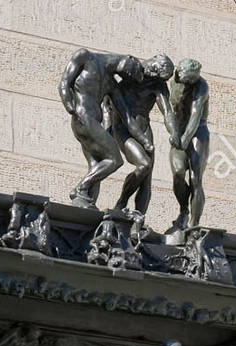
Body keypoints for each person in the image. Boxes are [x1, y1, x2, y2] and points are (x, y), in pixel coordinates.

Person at [59, 49, 144, 207]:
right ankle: (80, 189)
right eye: (134, 70)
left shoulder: (111, 84)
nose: (130, 75)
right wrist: (69, 106)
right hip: (83, 118)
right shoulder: (85, 56)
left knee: (97, 165)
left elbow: (126, 117)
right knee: (114, 160)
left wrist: (143, 140)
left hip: (91, 122)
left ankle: (86, 203)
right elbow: (64, 82)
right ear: (130, 57)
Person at [108, 54, 175, 217]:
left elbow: (167, 113)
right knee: (143, 165)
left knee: (146, 179)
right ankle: (122, 202)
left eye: (160, 78)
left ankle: (139, 217)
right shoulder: (130, 69)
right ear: (153, 66)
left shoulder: (158, 85)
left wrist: (175, 133)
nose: (155, 78)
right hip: (123, 127)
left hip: (144, 128)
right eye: (156, 74)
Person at [167, 58, 210, 238]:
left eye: (193, 80)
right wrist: (174, 132)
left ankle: (194, 223)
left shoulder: (202, 87)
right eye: (188, 80)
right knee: (178, 173)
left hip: (198, 132)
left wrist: (185, 140)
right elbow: (169, 111)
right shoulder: (172, 82)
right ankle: (183, 211)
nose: (190, 83)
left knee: (195, 178)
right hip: (180, 131)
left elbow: (195, 115)